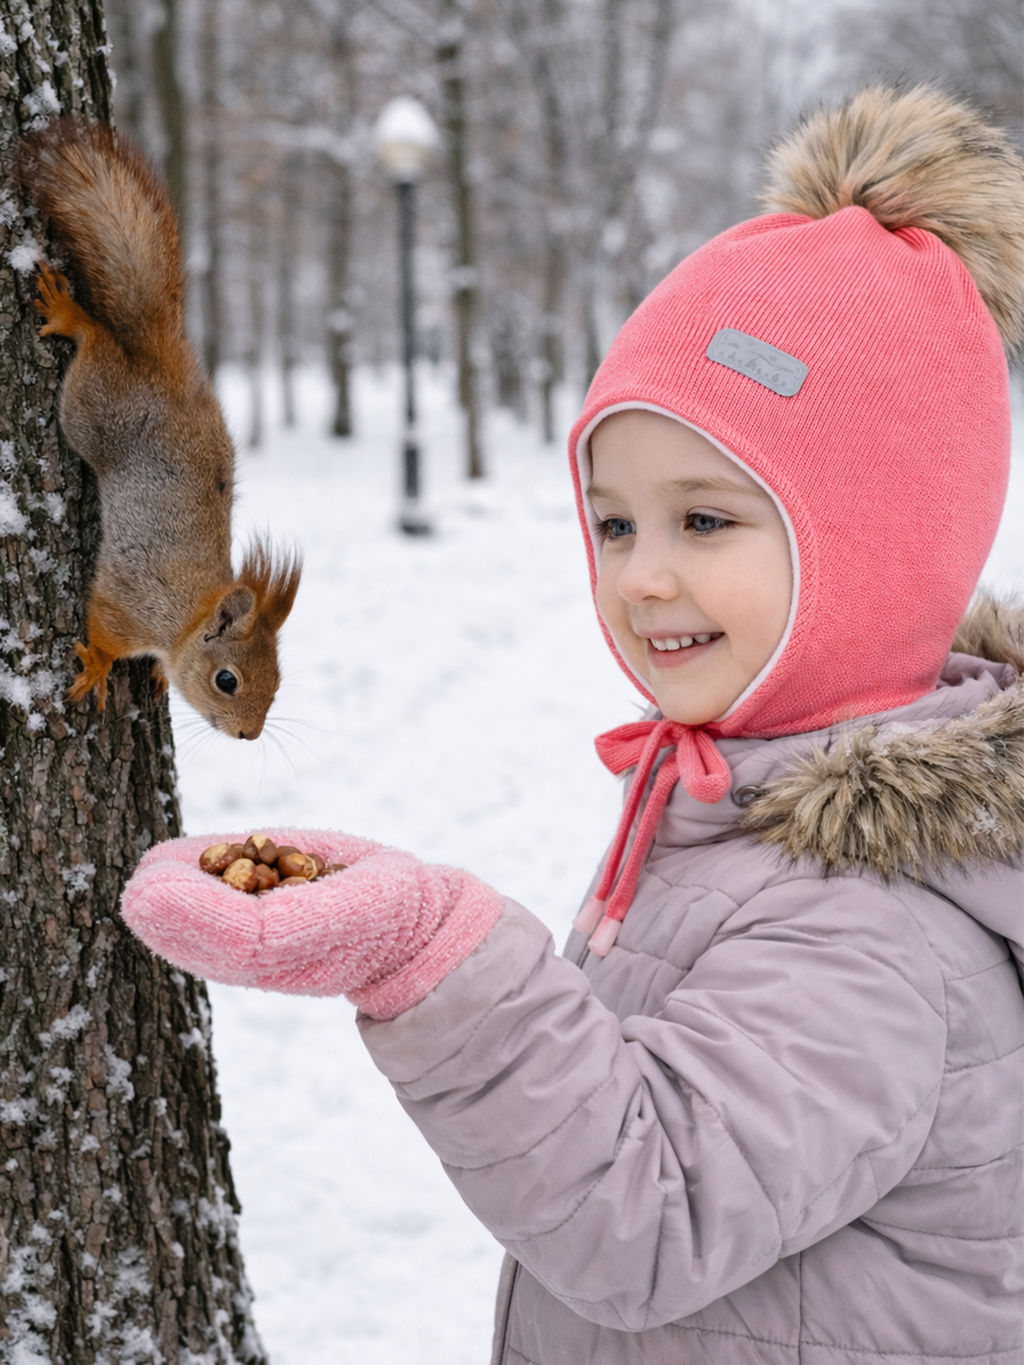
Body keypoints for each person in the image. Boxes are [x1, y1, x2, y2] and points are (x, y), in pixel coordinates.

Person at [123, 84, 1024, 1363]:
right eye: (615, 521)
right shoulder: (747, 808)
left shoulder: (873, 932)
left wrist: (431, 947)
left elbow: (643, 1214)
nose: (641, 574)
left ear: (881, 552)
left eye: (704, 520)